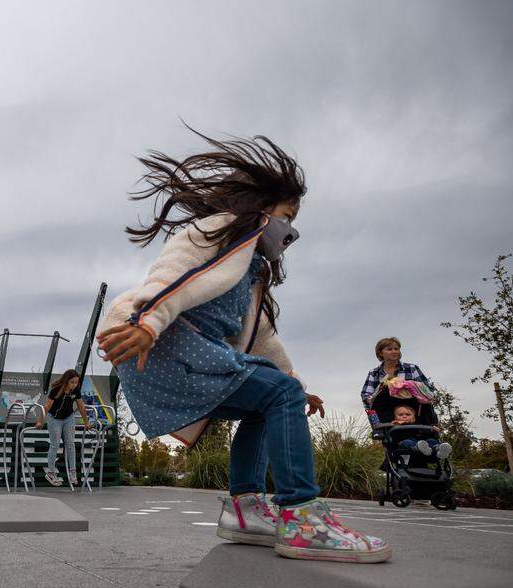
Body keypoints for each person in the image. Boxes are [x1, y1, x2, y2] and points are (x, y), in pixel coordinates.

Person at [97, 129, 390, 563]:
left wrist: (292, 381)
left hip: (178, 351)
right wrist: (149, 320)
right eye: (287, 215)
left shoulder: (250, 270)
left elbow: (263, 336)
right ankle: (302, 518)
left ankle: (246, 510)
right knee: (278, 394)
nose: (289, 230)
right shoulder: (219, 229)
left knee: (271, 397)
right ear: (261, 209)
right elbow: (174, 271)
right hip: (161, 343)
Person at [37, 369, 92, 487]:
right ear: (66, 381)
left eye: (76, 383)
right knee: (55, 444)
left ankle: (73, 472)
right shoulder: (57, 390)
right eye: (72, 382)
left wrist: (86, 422)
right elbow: (47, 407)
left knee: (70, 444)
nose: (74, 385)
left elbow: (81, 406)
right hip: (54, 419)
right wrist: (40, 421)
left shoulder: (76, 391)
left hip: (68, 418)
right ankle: (51, 473)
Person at [361, 337, 435, 411]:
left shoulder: (412, 368)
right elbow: (366, 395)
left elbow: (428, 390)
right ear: (380, 353)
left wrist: (409, 388)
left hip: (412, 414)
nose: (394, 351)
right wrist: (378, 398)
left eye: (396, 349)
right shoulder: (374, 373)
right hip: (385, 415)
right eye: (389, 349)